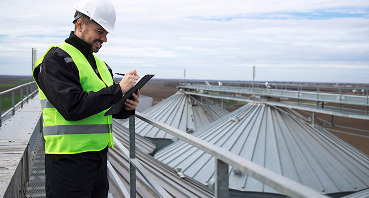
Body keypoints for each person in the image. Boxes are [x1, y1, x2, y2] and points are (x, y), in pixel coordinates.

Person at [32, 0, 139, 197]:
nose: (105, 38)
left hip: (98, 158)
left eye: (106, 33)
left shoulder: (101, 65)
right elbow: (72, 107)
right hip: (67, 161)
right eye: (100, 31)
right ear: (80, 24)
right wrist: (117, 90)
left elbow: (104, 108)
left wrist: (126, 106)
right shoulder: (55, 59)